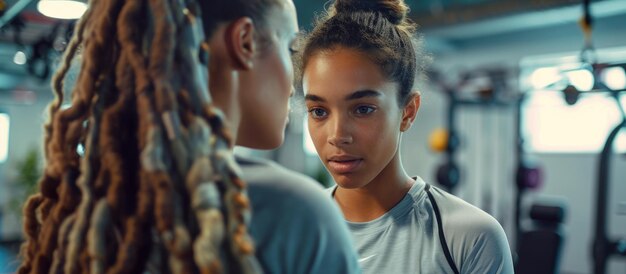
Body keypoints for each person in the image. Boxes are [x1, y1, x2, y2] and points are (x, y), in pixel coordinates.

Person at [16, 0, 360, 273]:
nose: (294, 83)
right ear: (244, 43)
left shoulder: (88, 202)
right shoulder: (294, 213)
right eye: (289, 49)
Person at [298, 0, 515, 273]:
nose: (337, 135)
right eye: (318, 111)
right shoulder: (293, 231)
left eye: (363, 109)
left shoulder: (469, 237)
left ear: (408, 112)